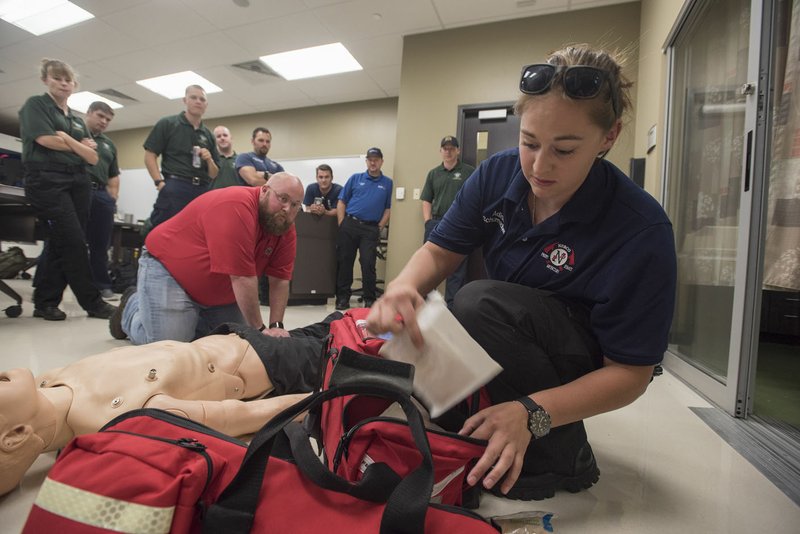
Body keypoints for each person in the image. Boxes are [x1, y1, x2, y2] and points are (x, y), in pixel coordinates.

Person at [367, 45, 677, 502]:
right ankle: (493, 415)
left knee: (477, 301)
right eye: (529, 142)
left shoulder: (640, 229)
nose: (539, 165)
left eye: (565, 150)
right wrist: (403, 287)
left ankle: (563, 449)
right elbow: (439, 251)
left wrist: (535, 411)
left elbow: (630, 374)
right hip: (514, 328)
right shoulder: (497, 174)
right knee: (432, 361)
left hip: (584, 361)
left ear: (608, 137)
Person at [0, 313, 341, 497]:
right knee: (355, 335)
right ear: (15, 434)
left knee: (336, 324)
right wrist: (321, 399)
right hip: (270, 365)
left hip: (230, 337)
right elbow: (239, 417)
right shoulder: (116, 418)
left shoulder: (47, 381)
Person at [110, 172, 305, 345]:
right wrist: (261, 331)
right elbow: (242, 278)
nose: (287, 209)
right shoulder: (238, 206)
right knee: (170, 347)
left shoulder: (284, 226)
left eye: (295, 204)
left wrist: (276, 325)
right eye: (283, 198)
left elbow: (280, 280)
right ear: (264, 190)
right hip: (169, 270)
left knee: (234, 344)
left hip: (218, 291)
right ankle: (131, 308)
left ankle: (190, 317)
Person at [18, 59, 116, 321]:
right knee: (73, 241)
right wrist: (79, 146)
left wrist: (67, 139)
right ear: (45, 80)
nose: (63, 83)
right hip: (47, 179)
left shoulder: (74, 119)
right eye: (57, 78)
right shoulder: (36, 106)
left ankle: (45, 302)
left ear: (74, 85)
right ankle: (93, 302)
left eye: (68, 80)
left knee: (61, 240)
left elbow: (92, 159)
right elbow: (44, 139)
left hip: (77, 180)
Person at [143, 85, 220, 229]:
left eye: (202, 99)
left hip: (201, 190)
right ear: (185, 100)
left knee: (194, 234)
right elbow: (150, 155)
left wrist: (209, 160)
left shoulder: (208, 135)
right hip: (175, 186)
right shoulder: (168, 124)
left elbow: (214, 173)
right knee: (164, 230)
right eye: (193, 97)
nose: (198, 101)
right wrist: (159, 183)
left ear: (206, 105)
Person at [420, 136, 475, 309]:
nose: (448, 151)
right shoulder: (433, 173)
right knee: (429, 266)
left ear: (458, 150)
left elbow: (475, 198)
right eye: (445, 148)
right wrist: (428, 221)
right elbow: (426, 199)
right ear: (441, 151)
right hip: (435, 223)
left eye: (452, 148)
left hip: (459, 225)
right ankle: (425, 305)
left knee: (457, 269)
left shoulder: (469, 172)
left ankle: (451, 308)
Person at [335, 148, 393, 310]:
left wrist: (379, 226)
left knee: (368, 263)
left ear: (381, 161)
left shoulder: (388, 183)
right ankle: (343, 298)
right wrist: (342, 223)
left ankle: (369, 299)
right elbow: (341, 202)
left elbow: (388, 208)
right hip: (350, 225)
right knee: (345, 262)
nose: (373, 162)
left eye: (376, 159)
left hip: (370, 229)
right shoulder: (355, 178)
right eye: (370, 159)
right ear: (366, 161)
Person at [84, 101, 121, 299]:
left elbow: (113, 175)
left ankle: (102, 285)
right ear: (88, 113)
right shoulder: (75, 134)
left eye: (108, 119)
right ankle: (46, 284)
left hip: (101, 195)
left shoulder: (108, 145)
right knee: (65, 240)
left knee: (101, 245)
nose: (104, 121)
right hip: (77, 190)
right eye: (100, 116)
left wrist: (112, 198)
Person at [209, 125, 239, 189]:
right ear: (214, 141)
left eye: (225, 135)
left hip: (236, 196)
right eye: (218, 136)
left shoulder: (240, 160)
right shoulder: (210, 160)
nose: (222, 138)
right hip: (215, 196)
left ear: (231, 138)